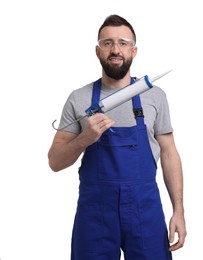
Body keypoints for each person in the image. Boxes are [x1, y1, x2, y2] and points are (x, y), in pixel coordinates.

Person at [48, 14, 187, 260]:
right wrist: (84, 138)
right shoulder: (78, 98)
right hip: (95, 214)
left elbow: (169, 154)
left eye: (123, 43)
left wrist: (179, 210)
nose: (115, 49)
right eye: (107, 43)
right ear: (97, 51)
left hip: (145, 210)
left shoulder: (155, 97)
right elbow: (55, 162)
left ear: (134, 51)